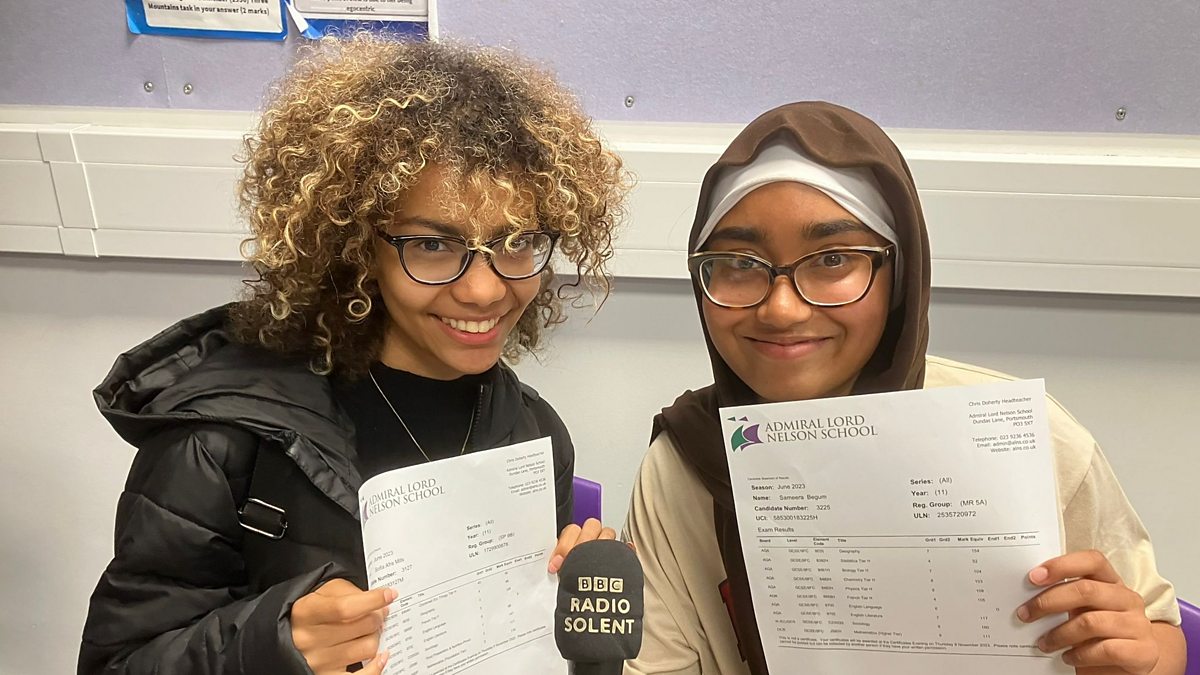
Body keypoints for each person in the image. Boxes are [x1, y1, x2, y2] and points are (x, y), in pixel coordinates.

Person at [79, 34, 626, 675]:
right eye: (432, 246)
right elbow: (117, 662)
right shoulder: (223, 443)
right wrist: (273, 647)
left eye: (517, 242)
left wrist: (577, 623)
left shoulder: (532, 434)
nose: (484, 289)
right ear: (357, 243)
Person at [622, 101, 1185, 675]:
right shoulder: (682, 466)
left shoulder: (1029, 441)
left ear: (900, 278)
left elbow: (1161, 634)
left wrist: (1136, 658)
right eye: (739, 263)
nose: (783, 309)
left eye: (833, 259)